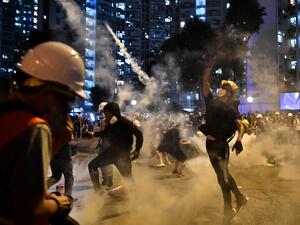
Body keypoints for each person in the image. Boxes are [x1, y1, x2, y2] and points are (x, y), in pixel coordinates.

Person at [0, 41, 86, 225]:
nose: (65, 110)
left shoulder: (7, 114)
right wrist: (61, 202)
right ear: (48, 93)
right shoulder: (34, 127)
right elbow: (32, 210)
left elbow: (19, 173)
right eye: (65, 101)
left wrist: (55, 144)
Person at [199, 63, 247, 224]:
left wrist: (239, 140)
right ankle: (239, 198)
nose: (220, 88)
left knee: (223, 177)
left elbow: (241, 126)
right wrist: (208, 67)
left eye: (223, 87)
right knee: (223, 176)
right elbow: (205, 84)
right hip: (210, 145)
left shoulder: (230, 109)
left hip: (220, 146)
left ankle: (228, 208)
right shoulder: (212, 102)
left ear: (228, 93)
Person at [88, 102, 143, 192]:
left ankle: (135, 200)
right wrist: (93, 134)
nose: (105, 115)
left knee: (129, 180)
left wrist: (137, 150)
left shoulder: (126, 122)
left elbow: (139, 134)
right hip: (111, 153)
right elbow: (105, 134)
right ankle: (98, 191)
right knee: (92, 165)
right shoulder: (111, 124)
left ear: (113, 112)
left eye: (106, 113)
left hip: (123, 156)